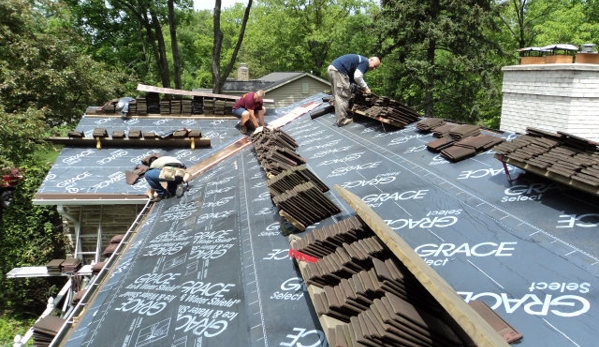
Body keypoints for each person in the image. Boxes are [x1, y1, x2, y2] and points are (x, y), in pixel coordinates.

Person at [327, 54, 380, 127]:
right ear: (370, 60)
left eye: (376, 67)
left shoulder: (359, 61)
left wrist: (353, 85)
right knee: (343, 96)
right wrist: (366, 88)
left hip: (332, 69)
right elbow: (357, 76)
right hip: (338, 71)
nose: (374, 68)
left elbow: (353, 77)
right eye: (374, 66)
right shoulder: (365, 62)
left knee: (337, 94)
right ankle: (342, 120)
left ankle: (341, 115)